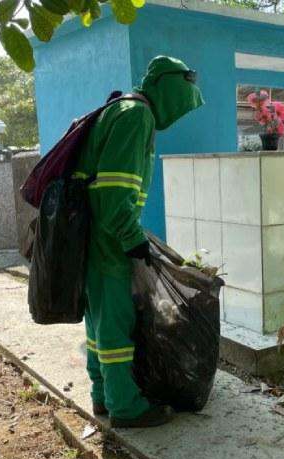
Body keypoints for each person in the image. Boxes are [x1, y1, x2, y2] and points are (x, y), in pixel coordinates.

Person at [74, 55, 204, 428]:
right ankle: (125, 406)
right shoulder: (136, 116)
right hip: (108, 240)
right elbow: (115, 196)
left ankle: (102, 395)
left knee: (99, 321)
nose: (177, 117)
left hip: (90, 237)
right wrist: (134, 240)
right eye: (181, 104)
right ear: (169, 91)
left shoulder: (119, 108)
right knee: (117, 323)